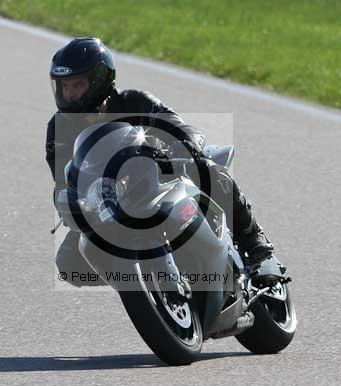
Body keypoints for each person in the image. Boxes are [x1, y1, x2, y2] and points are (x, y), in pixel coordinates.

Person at [46, 37, 284, 288]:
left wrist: (186, 146)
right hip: (108, 203)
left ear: (99, 80)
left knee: (207, 167)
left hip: (160, 176)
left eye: (78, 85)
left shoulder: (134, 101)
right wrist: (70, 203)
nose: (69, 94)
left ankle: (258, 247)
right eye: (64, 86)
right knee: (69, 263)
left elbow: (178, 126)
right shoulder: (57, 128)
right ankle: (139, 281)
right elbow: (64, 181)